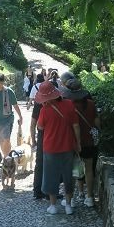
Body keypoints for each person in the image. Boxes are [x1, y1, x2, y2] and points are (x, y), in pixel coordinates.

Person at [35, 80, 81, 215]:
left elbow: (40, 127)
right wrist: (78, 143)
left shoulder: (44, 110)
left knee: (50, 176)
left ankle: (53, 206)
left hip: (50, 148)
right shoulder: (69, 105)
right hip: (67, 147)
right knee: (68, 176)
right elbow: (76, 126)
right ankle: (68, 205)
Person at [59, 75, 100, 207]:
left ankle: (71, 199)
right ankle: (89, 197)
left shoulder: (67, 106)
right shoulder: (91, 104)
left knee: (70, 170)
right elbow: (97, 122)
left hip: (72, 142)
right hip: (88, 141)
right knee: (88, 169)